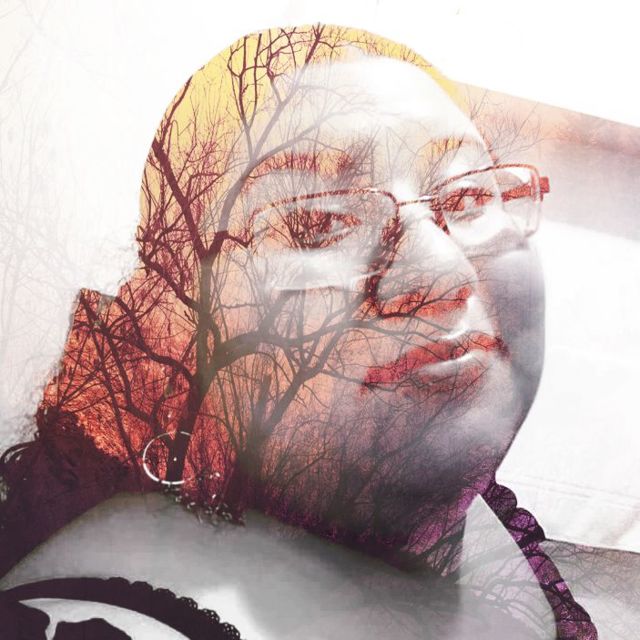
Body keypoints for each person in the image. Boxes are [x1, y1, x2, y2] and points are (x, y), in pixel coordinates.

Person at [0, 24, 596, 639]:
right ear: (179, 317)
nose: (442, 273)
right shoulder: (105, 619)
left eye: (469, 195)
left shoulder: (478, 531)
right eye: (317, 222)